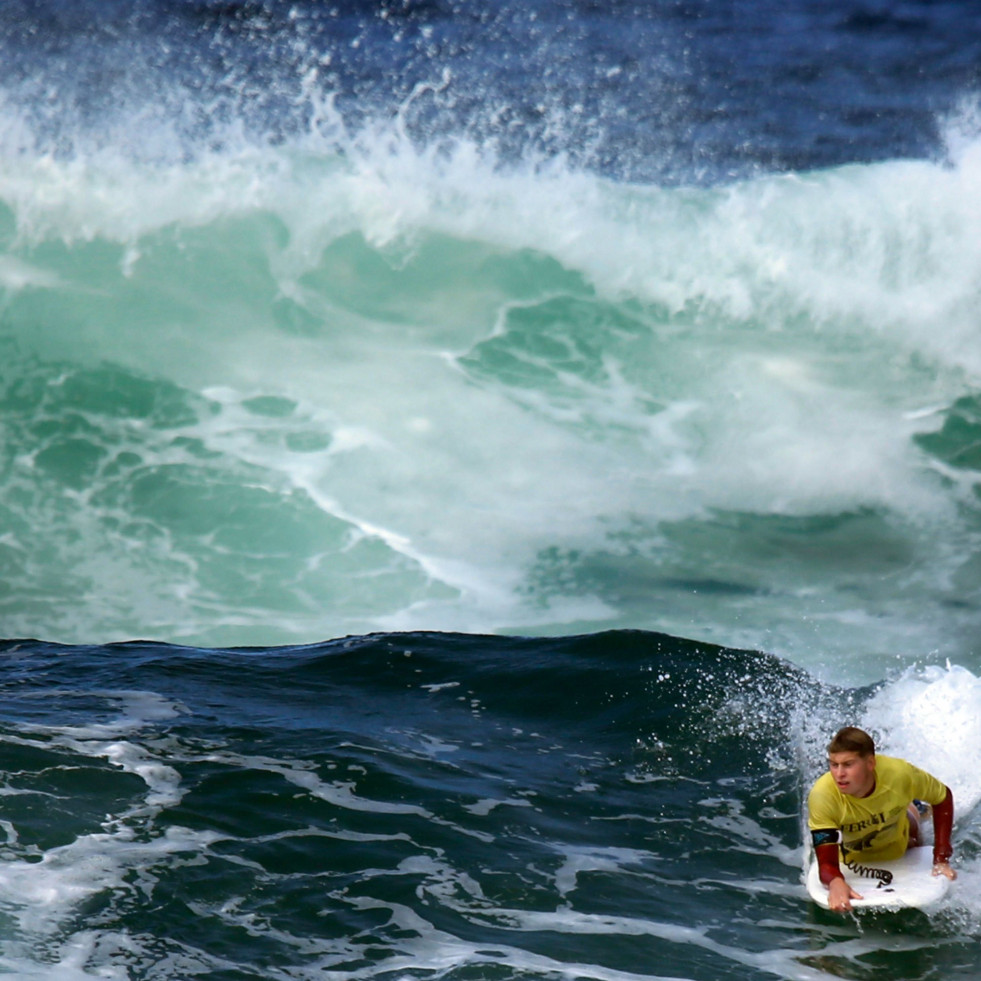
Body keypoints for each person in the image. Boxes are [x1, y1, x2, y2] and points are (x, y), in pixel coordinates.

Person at [807, 726, 956, 913]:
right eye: (834, 764)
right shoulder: (823, 796)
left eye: (848, 764)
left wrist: (941, 857)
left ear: (870, 763)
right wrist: (835, 881)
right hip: (851, 853)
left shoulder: (900, 775)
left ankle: (914, 806)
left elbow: (942, 797)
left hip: (899, 833)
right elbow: (826, 864)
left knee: (913, 836)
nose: (839, 774)